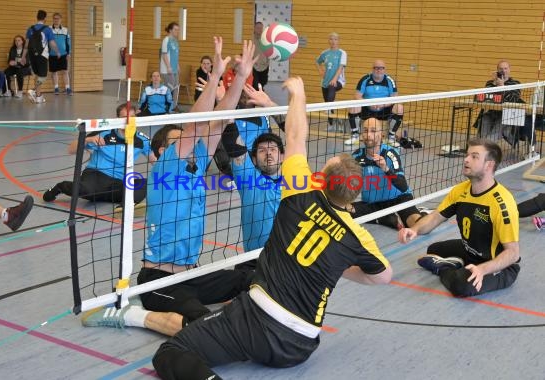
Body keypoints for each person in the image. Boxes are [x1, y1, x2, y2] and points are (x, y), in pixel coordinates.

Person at [151, 76, 392, 379]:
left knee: (171, 352)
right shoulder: (355, 234)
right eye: (262, 149)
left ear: (323, 179)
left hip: (257, 316)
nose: (268, 152)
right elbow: (384, 276)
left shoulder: (297, 192)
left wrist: (297, 93)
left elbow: (294, 136)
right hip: (300, 345)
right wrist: (340, 266)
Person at [82, 37, 258, 337]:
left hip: (195, 274)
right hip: (158, 281)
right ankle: (134, 314)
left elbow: (219, 120)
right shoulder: (165, 167)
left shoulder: (197, 162)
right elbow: (195, 125)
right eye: (178, 140)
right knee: (203, 326)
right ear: (162, 150)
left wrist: (240, 77)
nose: (188, 142)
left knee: (255, 280)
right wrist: (215, 75)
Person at [399, 138, 520, 297]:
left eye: (474, 156)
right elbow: (435, 217)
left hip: (498, 266)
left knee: (462, 286)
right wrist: (413, 230)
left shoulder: (502, 203)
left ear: (489, 165)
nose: (466, 159)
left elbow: (513, 253)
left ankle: (445, 268)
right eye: (467, 155)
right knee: (433, 250)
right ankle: (458, 263)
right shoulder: (460, 191)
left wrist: (483, 269)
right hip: (471, 251)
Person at [221, 83, 285, 270]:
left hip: (285, 260)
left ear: (282, 155)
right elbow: (234, 146)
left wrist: (269, 103)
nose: (269, 153)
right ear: (255, 159)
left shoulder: (293, 177)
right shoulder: (250, 181)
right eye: (263, 150)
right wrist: (223, 102)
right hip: (254, 262)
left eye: (273, 149)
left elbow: (295, 130)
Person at [42, 103, 155, 204]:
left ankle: (125, 207)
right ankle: (60, 187)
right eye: (124, 117)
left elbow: (155, 161)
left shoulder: (142, 140)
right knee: (86, 191)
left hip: (118, 183)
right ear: (117, 119)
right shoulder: (104, 133)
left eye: (132, 117)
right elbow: (71, 150)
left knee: (145, 184)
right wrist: (87, 140)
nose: (129, 121)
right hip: (96, 176)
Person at [350, 118, 427, 229]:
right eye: (365, 130)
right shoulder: (356, 156)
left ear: (381, 134)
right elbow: (351, 185)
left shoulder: (390, 153)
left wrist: (386, 169)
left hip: (398, 200)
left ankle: (422, 213)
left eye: (373, 130)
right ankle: (384, 218)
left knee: (418, 226)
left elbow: (403, 186)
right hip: (373, 204)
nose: (368, 134)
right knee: (343, 211)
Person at [345, 59, 404, 147]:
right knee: (353, 105)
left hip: (384, 110)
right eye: (376, 68)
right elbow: (357, 96)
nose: (378, 70)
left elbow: (394, 98)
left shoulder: (389, 80)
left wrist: (382, 104)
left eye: (381, 68)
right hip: (368, 109)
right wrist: (369, 103)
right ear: (372, 69)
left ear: (384, 69)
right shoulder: (365, 79)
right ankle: (355, 136)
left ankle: (391, 138)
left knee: (399, 107)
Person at [21, 9, 60, 104]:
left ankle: (38, 96)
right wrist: (57, 51)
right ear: (45, 18)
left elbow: (26, 45)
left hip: (31, 55)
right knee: (42, 76)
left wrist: (23, 57)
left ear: (37, 17)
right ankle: (34, 91)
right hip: (42, 55)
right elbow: (51, 43)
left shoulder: (30, 29)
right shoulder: (47, 29)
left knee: (38, 75)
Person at [478, 60, 523, 141]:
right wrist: (494, 84)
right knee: (485, 118)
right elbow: (486, 97)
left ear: (509, 69)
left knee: (492, 136)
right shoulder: (490, 83)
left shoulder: (516, 83)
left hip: (506, 114)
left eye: (505, 68)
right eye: (501, 69)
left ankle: (485, 145)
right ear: (497, 70)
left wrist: (502, 86)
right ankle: (484, 144)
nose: (503, 71)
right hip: (492, 112)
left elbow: (513, 99)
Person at [316, 32, 347, 132]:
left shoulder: (342, 53)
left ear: (338, 41)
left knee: (331, 87)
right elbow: (317, 61)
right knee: (328, 101)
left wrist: (334, 79)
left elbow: (340, 67)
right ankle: (331, 124)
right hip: (325, 81)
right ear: (328, 41)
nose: (333, 41)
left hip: (338, 81)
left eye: (335, 39)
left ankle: (329, 107)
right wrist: (320, 70)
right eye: (331, 39)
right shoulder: (325, 53)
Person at [49, 12, 72, 95]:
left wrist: (68, 53)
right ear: (53, 19)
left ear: (60, 20)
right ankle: (56, 88)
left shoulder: (65, 30)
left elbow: (68, 42)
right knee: (54, 72)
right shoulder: (49, 29)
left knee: (65, 71)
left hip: (63, 54)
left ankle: (67, 88)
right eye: (54, 18)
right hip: (52, 54)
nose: (56, 20)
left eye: (58, 18)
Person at [160, 22, 180, 104]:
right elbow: (164, 54)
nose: (177, 31)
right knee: (169, 88)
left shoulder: (175, 41)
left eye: (178, 30)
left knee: (175, 88)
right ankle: (166, 107)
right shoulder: (166, 40)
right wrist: (168, 67)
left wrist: (178, 65)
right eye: (175, 29)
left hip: (174, 69)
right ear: (170, 30)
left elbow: (175, 55)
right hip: (167, 70)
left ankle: (174, 106)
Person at [252, 21, 269, 90]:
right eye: (258, 28)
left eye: (261, 28)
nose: (259, 30)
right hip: (254, 66)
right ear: (254, 28)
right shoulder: (251, 39)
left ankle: (261, 91)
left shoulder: (266, 39)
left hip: (264, 65)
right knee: (255, 84)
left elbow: (269, 51)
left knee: (263, 82)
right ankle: (257, 95)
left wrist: (267, 61)